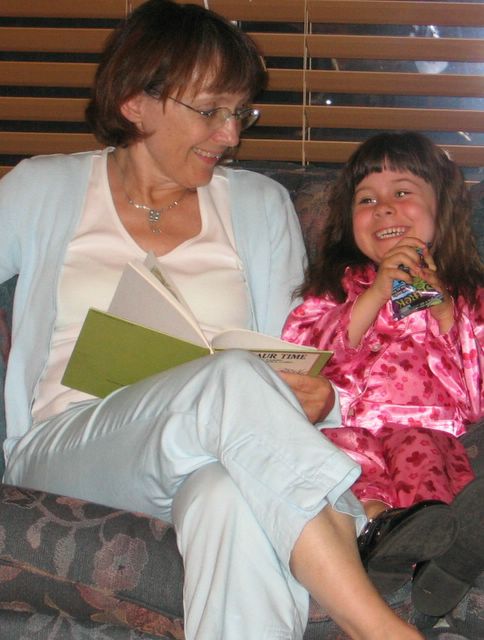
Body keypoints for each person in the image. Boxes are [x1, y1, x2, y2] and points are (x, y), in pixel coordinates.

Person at [0, 2, 441, 637]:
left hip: (212, 449)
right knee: (229, 377)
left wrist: (318, 395)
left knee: (227, 497)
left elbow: (292, 347)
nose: (230, 135)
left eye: (240, 113)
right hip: (69, 448)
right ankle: (376, 607)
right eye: (210, 111)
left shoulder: (259, 205)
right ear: (134, 101)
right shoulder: (43, 187)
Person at [282, 131, 484, 615]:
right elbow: (302, 362)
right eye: (367, 200)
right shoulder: (333, 291)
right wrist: (373, 296)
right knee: (337, 466)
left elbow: (477, 398)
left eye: (403, 192)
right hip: (346, 430)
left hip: (426, 432)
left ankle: (432, 550)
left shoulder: (468, 296)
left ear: (442, 208)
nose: (385, 209)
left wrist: (445, 312)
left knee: (420, 456)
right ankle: (379, 533)